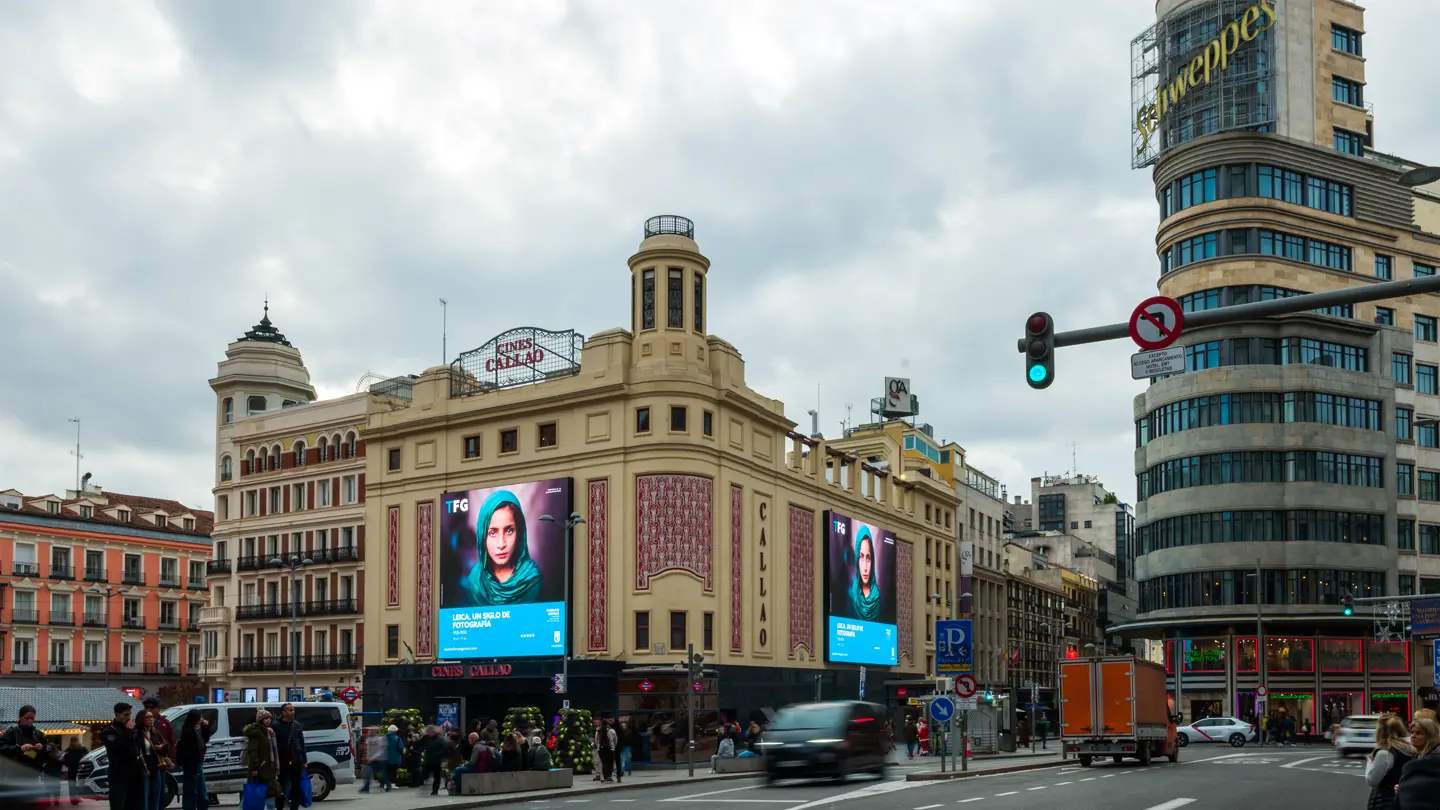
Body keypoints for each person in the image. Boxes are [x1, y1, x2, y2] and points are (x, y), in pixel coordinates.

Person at [464, 490, 543, 606]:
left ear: (520, 533)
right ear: (482, 536)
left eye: (509, 531)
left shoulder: (531, 579)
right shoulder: (475, 582)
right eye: (492, 533)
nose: (501, 544)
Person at [1365, 714, 1414, 810]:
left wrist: (1370, 762)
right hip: (1405, 799)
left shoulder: (1385, 754)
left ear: (1381, 732)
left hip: (1384, 801)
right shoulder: (1411, 749)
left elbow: (1372, 780)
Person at [100, 703, 143, 810]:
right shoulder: (109, 732)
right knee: (119, 804)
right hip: (119, 775)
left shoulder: (133, 730)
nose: (128, 718)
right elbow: (119, 747)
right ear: (117, 714)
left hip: (135, 774)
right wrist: (128, 731)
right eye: (125, 715)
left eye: (130, 715)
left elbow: (136, 748)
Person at [1397, 716, 1440, 810]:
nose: (1413, 736)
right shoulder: (1419, 755)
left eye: (1418, 733)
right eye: (1412, 732)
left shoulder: (1433, 758)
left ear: (1430, 735)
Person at [242, 710, 281, 810]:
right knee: (259, 795)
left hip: (269, 768)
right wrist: (255, 768)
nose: (268, 720)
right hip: (260, 769)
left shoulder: (269, 731)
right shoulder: (256, 733)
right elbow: (253, 751)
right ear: (260, 720)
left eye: (269, 718)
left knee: (269, 795)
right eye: (265, 718)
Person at [175, 712, 214, 810]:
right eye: (199, 717)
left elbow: (205, 740)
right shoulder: (189, 732)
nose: (201, 719)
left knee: (201, 791)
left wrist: (205, 727)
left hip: (197, 764)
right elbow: (189, 751)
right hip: (191, 765)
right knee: (192, 791)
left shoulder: (196, 730)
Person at [271, 704, 306, 810]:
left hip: (296, 759)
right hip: (282, 760)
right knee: (280, 785)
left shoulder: (297, 725)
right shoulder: (275, 725)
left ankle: (294, 807)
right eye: (290, 710)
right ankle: (279, 806)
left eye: (293, 710)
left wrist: (304, 760)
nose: (293, 712)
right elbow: (273, 745)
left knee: (296, 785)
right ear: (283, 712)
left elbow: (302, 742)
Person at [134, 710, 169, 810]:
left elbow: (165, 747)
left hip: (155, 766)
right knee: (143, 796)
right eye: (147, 717)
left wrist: (162, 747)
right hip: (142, 767)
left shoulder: (156, 732)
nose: (150, 719)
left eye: (152, 717)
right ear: (141, 719)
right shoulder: (136, 733)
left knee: (155, 796)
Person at [848, 525, 882, 621]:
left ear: (873, 561)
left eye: (868, 558)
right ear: (856, 559)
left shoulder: (877, 596)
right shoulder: (852, 593)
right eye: (861, 557)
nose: (865, 568)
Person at [417, 726, 447, 795]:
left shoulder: (440, 739)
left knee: (437, 776)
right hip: (428, 760)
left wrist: (439, 755)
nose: (428, 733)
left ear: (434, 732)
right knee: (424, 773)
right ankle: (422, 783)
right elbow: (419, 744)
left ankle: (435, 790)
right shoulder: (426, 738)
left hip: (436, 760)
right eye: (428, 732)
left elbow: (443, 749)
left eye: (430, 732)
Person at [359, 728, 387, 793]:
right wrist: (368, 757)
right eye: (369, 731)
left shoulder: (379, 739)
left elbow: (380, 751)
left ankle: (387, 783)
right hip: (371, 759)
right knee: (368, 773)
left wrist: (373, 758)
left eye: (371, 731)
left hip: (378, 760)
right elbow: (368, 750)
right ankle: (366, 787)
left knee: (378, 773)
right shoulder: (369, 739)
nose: (369, 732)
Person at [63, 738, 88, 805]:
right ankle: (78, 797)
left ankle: (73, 800)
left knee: (71, 785)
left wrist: (68, 764)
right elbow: (87, 757)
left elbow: (64, 760)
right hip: (80, 769)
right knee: (79, 784)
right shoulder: (83, 749)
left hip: (71, 769)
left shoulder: (68, 750)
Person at [595, 719, 617, 783]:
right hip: (610, 749)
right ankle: (608, 776)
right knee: (610, 763)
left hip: (601, 749)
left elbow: (596, 740)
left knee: (604, 763)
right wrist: (613, 746)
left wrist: (598, 747)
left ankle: (604, 777)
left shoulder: (598, 731)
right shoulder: (611, 730)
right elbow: (615, 740)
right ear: (608, 724)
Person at [383, 725, 403, 790]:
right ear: (395, 731)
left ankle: (386, 784)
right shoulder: (397, 739)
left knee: (386, 771)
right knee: (393, 771)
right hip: (395, 758)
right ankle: (392, 784)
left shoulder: (383, 738)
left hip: (385, 758)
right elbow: (401, 748)